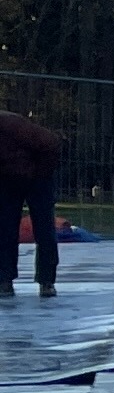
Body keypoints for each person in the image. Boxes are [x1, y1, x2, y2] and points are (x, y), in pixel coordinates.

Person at [0, 109, 60, 295]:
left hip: (37, 178)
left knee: (44, 228)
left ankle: (47, 281)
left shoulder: (11, 126)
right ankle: (4, 280)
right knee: (4, 228)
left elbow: (51, 143)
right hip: (7, 178)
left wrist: (41, 175)